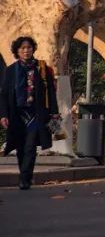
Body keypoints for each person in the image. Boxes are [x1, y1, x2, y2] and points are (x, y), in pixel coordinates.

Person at [0, 37, 60, 190]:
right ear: (17, 51)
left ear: (33, 49)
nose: (26, 51)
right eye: (22, 48)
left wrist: (54, 112)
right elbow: (4, 94)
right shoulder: (11, 70)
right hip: (17, 114)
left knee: (30, 146)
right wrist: (3, 115)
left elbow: (51, 92)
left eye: (28, 48)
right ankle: (24, 174)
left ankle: (25, 179)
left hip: (36, 114)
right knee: (20, 147)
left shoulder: (42, 68)